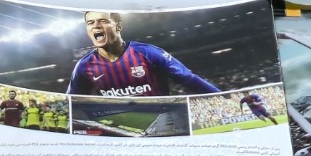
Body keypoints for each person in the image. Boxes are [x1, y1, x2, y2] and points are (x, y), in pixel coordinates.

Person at [71, 9, 218, 97]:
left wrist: (225, 99)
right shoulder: (84, 66)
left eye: (103, 21)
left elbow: (189, 79)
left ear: (118, 27)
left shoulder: (148, 53)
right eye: (90, 23)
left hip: (161, 128)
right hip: (117, 133)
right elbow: (70, 102)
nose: (96, 26)